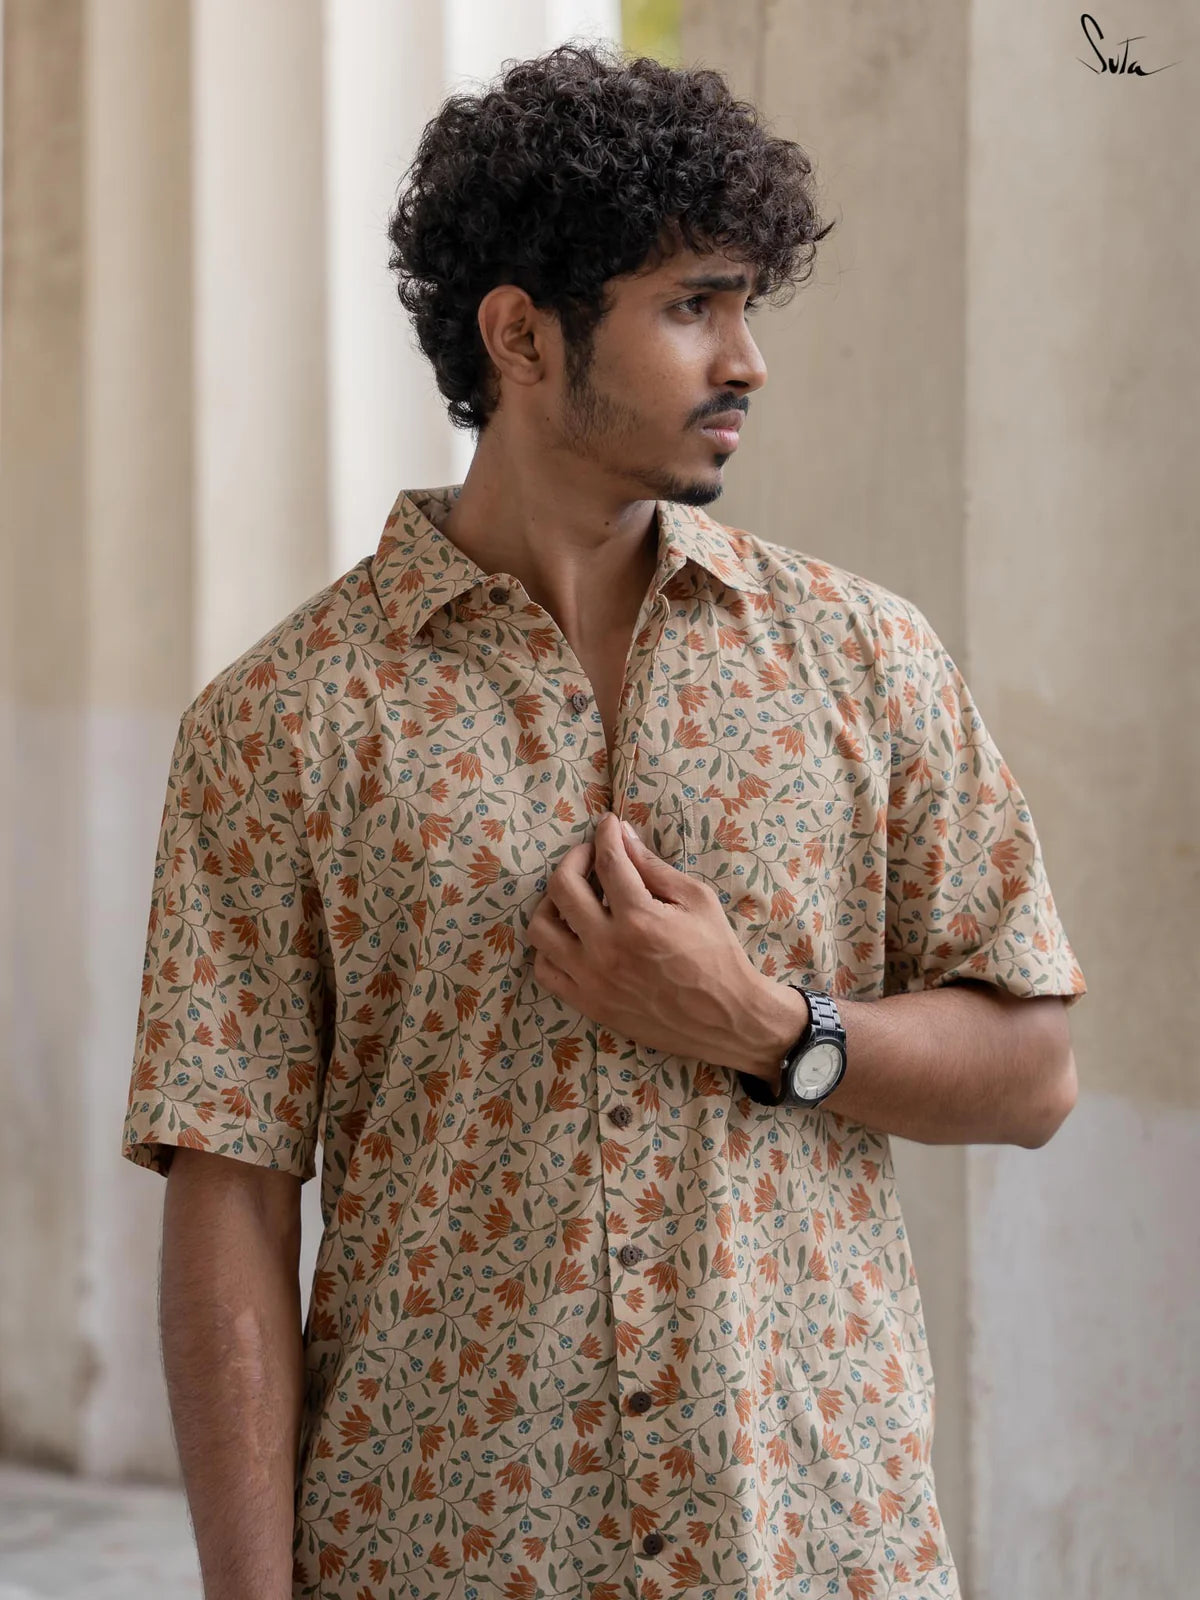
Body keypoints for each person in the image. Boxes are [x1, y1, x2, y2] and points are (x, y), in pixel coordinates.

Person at [121, 41, 1086, 1600]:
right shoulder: (282, 723)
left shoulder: (864, 663)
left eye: (747, 304)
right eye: (691, 305)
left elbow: (1035, 1071)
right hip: (443, 1552)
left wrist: (772, 1025)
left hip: (807, 1546)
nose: (747, 358)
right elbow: (228, 1195)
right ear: (519, 335)